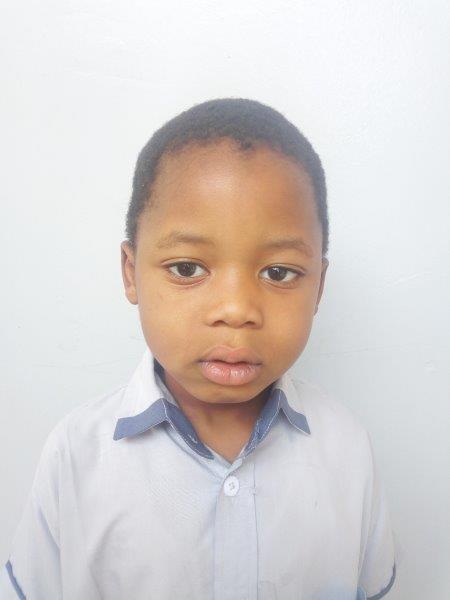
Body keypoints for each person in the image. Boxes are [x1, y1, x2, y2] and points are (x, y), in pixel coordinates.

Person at [1, 98, 396, 599]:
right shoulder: (76, 455)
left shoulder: (347, 449)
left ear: (318, 286)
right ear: (131, 273)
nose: (235, 309)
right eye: (188, 268)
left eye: (278, 272)